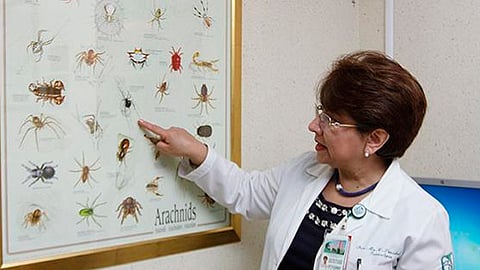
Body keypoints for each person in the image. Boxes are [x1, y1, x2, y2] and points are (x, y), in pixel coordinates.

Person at [138, 50, 454, 270]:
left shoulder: (421, 218)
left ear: (375, 139)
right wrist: (194, 150)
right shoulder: (306, 170)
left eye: (331, 120)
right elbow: (246, 192)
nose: (314, 126)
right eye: (321, 113)